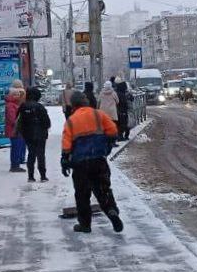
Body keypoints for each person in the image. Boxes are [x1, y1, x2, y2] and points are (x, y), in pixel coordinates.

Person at [61, 92, 123, 234]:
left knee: (82, 194)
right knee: (103, 189)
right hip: (99, 160)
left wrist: (64, 159)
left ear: (73, 105)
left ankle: (85, 224)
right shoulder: (98, 114)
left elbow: (66, 143)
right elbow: (113, 130)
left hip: (80, 163)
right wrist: (107, 143)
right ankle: (111, 210)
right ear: (86, 102)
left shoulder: (71, 120)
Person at [17, 87, 52, 182]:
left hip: (28, 134)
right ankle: (43, 175)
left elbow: (19, 120)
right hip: (40, 134)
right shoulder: (40, 107)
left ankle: (31, 176)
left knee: (31, 154)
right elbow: (47, 122)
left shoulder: (23, 107)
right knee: (41, 154)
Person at [5, 83, 27, 173]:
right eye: (17, 95)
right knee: (16, 147)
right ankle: (15, 165)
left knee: (17, 146)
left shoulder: (13, 104)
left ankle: (16, 164)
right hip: (14, 130)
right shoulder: (11, 105)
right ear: (13, 95)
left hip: (16, 129)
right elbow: (12, 119)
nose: (19, 96)